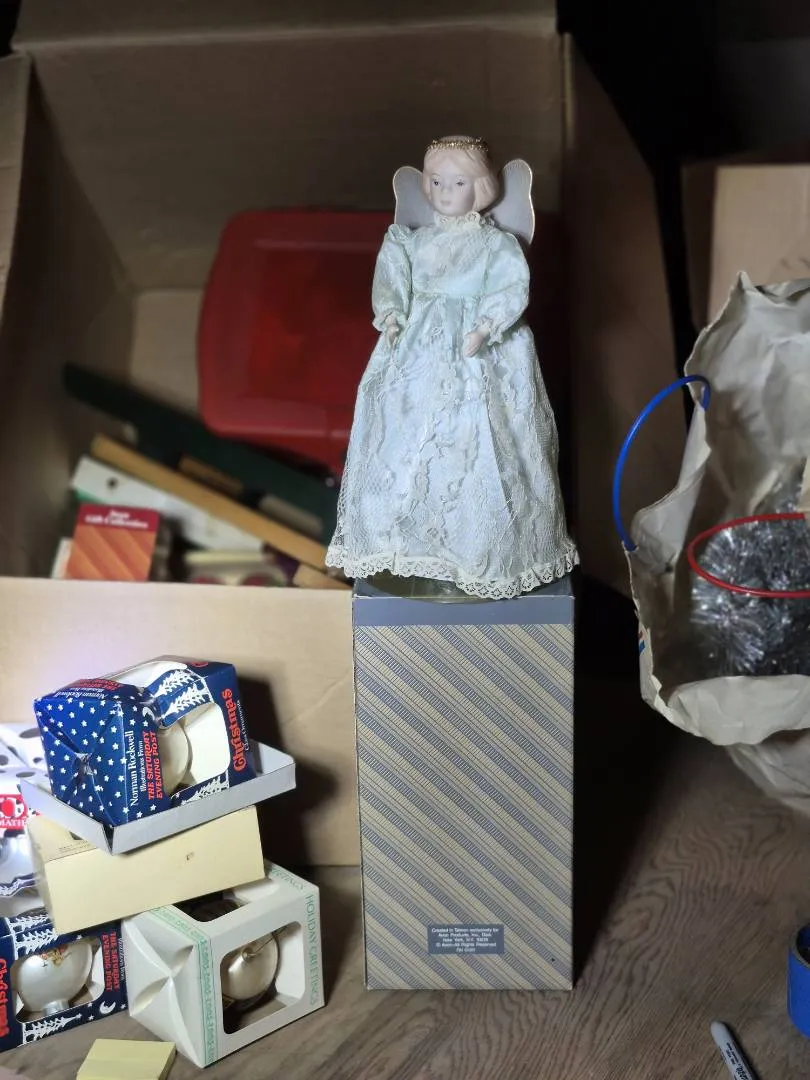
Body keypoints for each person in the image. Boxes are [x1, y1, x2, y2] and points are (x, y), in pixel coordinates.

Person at [325, 135, 578, 599]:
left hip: (477, 349)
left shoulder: (494, 244)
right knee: (406, 435)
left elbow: (510, 287)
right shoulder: (412, 241)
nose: (444, 192)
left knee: (479, 436)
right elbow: (394, 278)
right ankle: (404, 540)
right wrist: (393, 316)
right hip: (419, 348)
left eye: (458, 183)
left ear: (480, 187)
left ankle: (479, 543)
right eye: (437, 181)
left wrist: (487, 326)